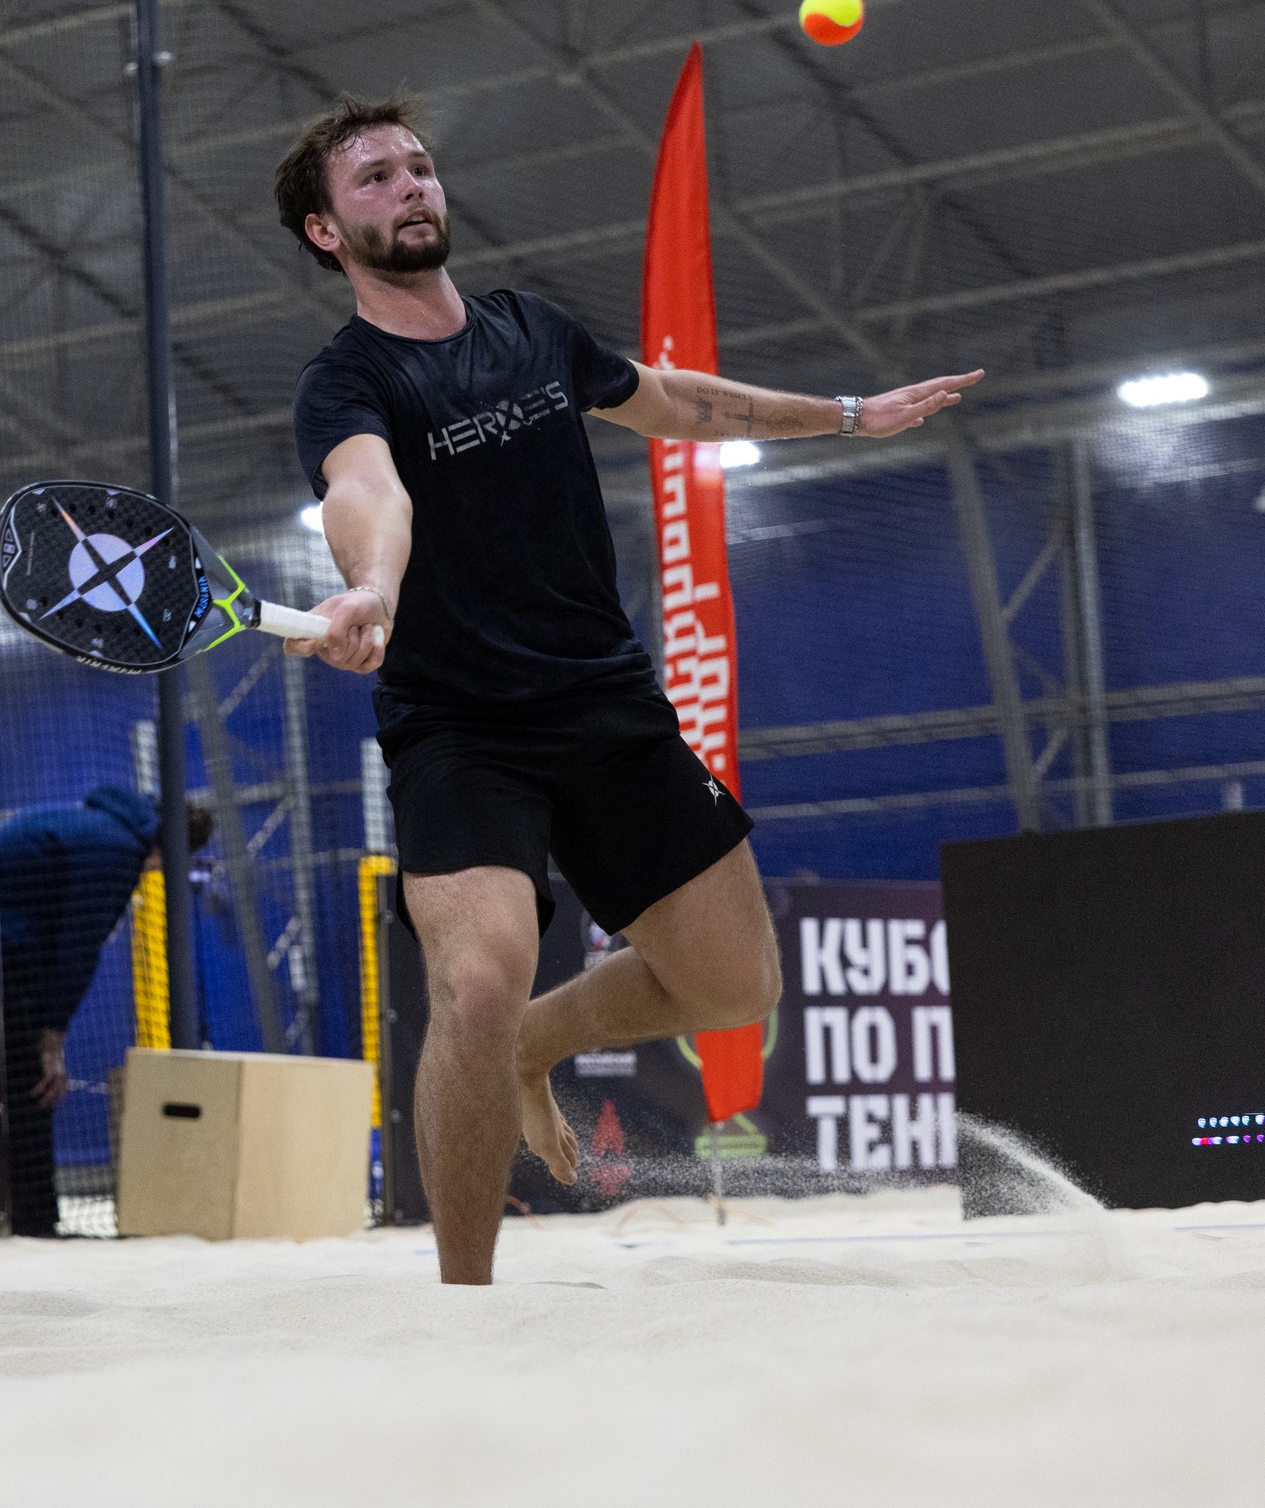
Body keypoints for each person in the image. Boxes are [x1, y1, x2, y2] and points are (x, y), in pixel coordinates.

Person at [274, 93, 980, 1284]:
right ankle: (463, 1300)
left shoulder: (532, 329)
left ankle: (533, 1045)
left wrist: (847, 416)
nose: (409, 186)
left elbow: (671, 399)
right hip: (460, 729)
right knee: (478, 978)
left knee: (735, 987)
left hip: (605, 705)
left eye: (418, 166)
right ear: (325, 231)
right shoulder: (344, 382)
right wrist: (373, 591)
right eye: (374, 179)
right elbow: (366, 492)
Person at [0, 786, 212, 1237]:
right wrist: (52, 1038)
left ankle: (8, 1214)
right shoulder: (116, 850)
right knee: (33, 1083)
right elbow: (78, 947)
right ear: (171, 851)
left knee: (2, 1084)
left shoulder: (95, 821)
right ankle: (33, 1222)